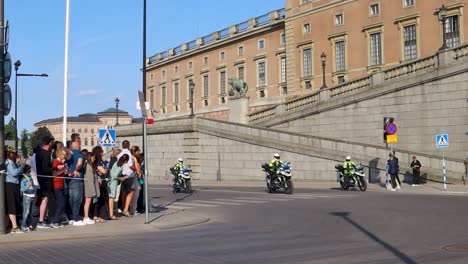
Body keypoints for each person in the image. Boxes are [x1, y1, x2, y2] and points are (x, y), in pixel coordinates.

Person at [66, 133, 86, 226]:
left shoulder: (68, 153)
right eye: (79, 141)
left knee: (71, 199)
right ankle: (76, 218)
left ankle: (71, 217)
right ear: (74, 142)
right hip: (77, 179)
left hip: (69, 179)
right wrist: (76, 170)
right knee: (77, 200)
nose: (80, 143)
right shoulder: (79, 154)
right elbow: (79, 164)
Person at [35, 135, 54, 228]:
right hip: (45, 179)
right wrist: (55, 168)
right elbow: (46, 168)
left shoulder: (38, 152)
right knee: (44, 199)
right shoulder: (46, 154)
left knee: (43, 199)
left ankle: (42, 219)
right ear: (49, 143)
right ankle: (41, 220)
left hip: (40, 178)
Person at [5, 149, 25, 233]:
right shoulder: (8, 163)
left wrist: (19, 165)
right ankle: (14, 227)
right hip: (10, 185)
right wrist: (21, 167)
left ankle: (8, 225)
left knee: (13, 205)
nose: (15, 154)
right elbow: (13, 173)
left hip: (14, 185)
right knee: (11, 206)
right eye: (13, 153)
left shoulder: (13, 163)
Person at [51, 147, 71, 228]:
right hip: (56, 184)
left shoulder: (61, 162)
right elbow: (54, 174)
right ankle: (55, 221)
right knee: (61, 203)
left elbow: (64, 173)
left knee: (61, 204)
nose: (64, 156)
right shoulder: (56, 161)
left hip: (61, 184)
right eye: (63, 155)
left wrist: (66, 171)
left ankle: (58, 221)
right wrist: (63, 170)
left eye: (65, 155)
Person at [117, 140, 136, 217]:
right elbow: (131, 166)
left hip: (122, 175)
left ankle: (123, 208)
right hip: (129, 176)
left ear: (122, 146)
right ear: (128, 145)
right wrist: (136, 170)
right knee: (131, 192)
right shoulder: (128, 153)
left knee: (124, 193)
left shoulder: (120, 154)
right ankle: (126, 209)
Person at [108, 154, 129, 220]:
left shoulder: (116, 163)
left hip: (111, 182)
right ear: (125, 161)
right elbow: (114, 175)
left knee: (111, 198)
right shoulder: (119, 167)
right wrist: (120, 178)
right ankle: (111, 215)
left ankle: (110, 214)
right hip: (113, 182)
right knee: (111, 198)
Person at [92, 146, 109, 222]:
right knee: (98, 200)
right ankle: (96, 215)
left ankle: (101, 215)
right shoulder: (98, 162)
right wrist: (106, 169)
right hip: (99, 182)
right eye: (101, 151)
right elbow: (104, 171)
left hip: (103, 181)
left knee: (103, 199)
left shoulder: (101, 161)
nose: (102, 153)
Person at [83, 152, 98, 225]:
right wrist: (93, 191)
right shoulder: (88, 166)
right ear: (90, 157)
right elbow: (90, 180)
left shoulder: (89, 165)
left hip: (90, 186)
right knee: (87, 202)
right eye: (93, 157)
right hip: (89, 187)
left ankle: (86, 217)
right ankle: (86, 217)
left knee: (88, 202)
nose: (94, 159)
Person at [20, 165, 35, 232]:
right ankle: (23, 225)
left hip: (32, 196)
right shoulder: (23, 178)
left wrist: (35, 194)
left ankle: (29, 224)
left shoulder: (30, 178)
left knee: (30, 212)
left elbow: (33, 187)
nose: (30, 171)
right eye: (29, 170)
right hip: (26, 196)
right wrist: (27, 186)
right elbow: (23, 188)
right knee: (26, 212)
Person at [130, 146, 143, 215]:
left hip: (133, 177)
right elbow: (137, 168)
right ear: (135, 152)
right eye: (138, 151)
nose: (139, 152)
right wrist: (141, 172)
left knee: (133, 193)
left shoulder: (132, 157)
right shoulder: (134, 158)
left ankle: (132, 209)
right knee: (136, 193)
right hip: (134, 177)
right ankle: (133, 210)